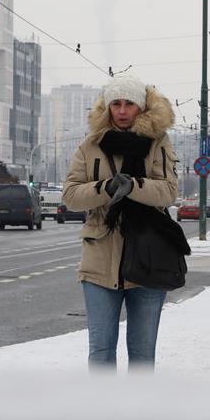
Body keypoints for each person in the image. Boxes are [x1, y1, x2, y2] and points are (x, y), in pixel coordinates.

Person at [63, 75, 179, 370]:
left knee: (142, 355)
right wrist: (106, 188)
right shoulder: (90, 145)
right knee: (100, 353)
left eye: (129, 104)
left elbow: (168, 192)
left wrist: (133, 186)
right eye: (116, 104)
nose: (123, 110)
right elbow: (71, 196)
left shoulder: (158, 142)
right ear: (108, 107)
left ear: (141, 107)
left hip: (149, 256)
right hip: (100, 259)